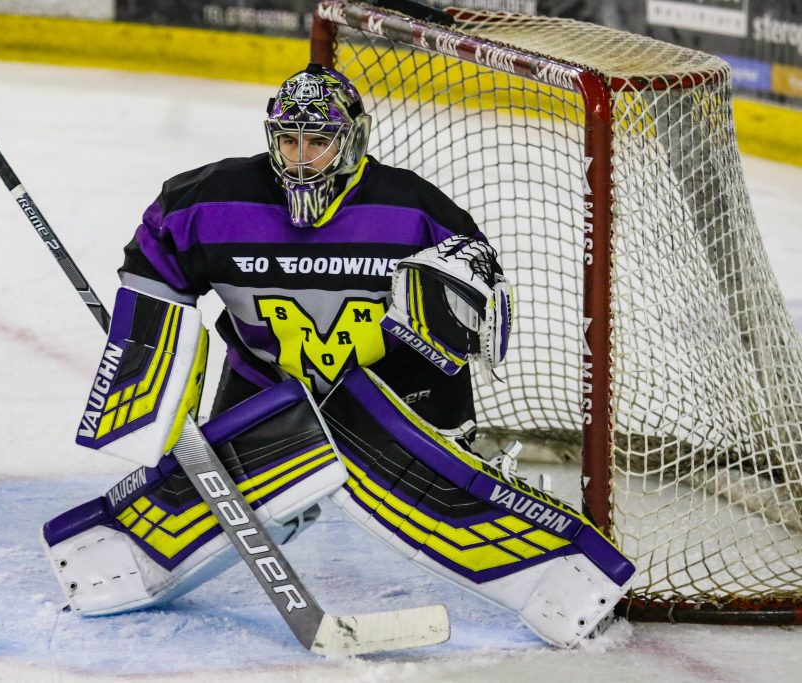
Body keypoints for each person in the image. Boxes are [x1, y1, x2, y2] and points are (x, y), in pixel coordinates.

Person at [40, 64, 633, 648]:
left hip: (388, 390)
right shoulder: (206, 202)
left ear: (351, 140)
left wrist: (448, 325)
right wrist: (158, 380)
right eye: (289, 141)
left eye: (318, 142)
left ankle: (571, 582)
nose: (301, 159)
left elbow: (473, 313)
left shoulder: (414, 211)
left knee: (445, 497)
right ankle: (107, 562)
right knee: (208, 496)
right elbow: (155, 269)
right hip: (265, 384)